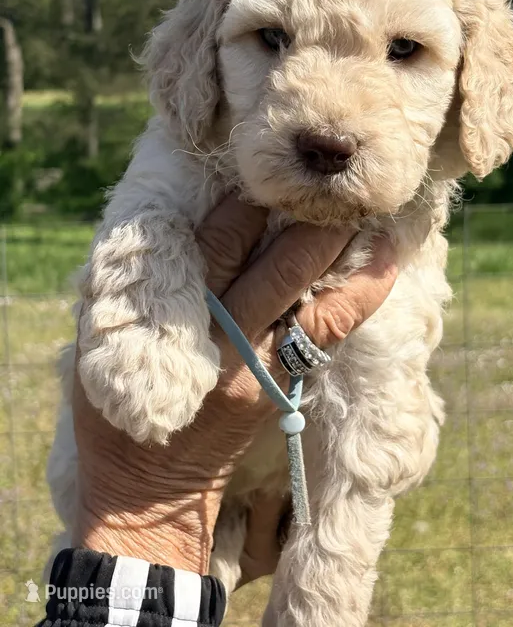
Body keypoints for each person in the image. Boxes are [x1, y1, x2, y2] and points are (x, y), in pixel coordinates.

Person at [36, 195, 398, 627]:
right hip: (190, 516)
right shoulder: (180, 161)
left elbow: (373, 432)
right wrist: (143, 514)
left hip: (266, 508)